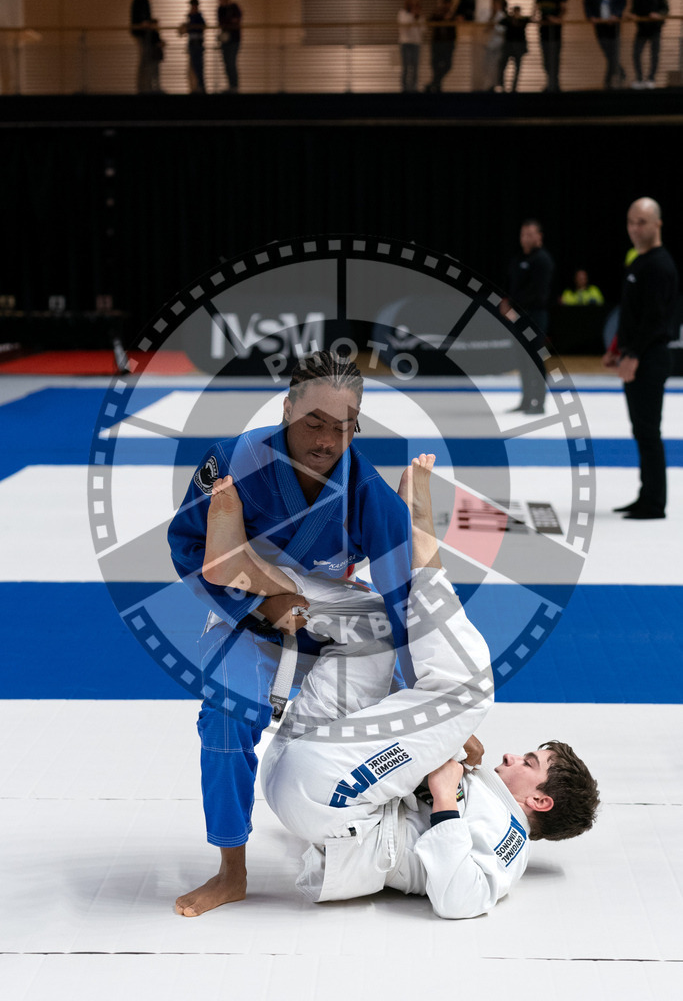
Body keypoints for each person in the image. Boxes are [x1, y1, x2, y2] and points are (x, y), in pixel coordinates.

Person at [261, 455, 599, 918]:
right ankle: (250, 576)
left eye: (530, 762)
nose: (511, 755)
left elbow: (461, 902)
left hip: (329, 799)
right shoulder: (484, 789)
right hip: (301, 771)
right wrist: (445, 748)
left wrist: (444, 798)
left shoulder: (510, 840)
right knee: (375, 631)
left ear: (539, 800)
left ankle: (417, 530)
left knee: (471, 688)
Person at [168, 351, 413, 915]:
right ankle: (231, 869)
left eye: (342, 426)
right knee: (225, 716)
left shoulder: (367, 491)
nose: (327, 439)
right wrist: (258, 602)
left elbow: (405, 599)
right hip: (247, 611)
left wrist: (429, 694)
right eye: (314, 423)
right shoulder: (234, 460)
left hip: (332, 619)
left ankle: (366, 823)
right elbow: (188, 547)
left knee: (390, 712)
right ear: (286, 410)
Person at [602, 198, 679, 519]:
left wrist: (632, 355)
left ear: (658, 224)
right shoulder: (638, 261)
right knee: (641, 430)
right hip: (635, 354)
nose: (635, 228)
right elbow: (630, 315)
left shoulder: (660, 265)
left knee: (648, 431)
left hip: (650, 357)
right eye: (631, 221)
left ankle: (655, 502)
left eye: (642, 221)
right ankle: (646, 494)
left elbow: (655, 319)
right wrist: (616, 348)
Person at [501, 219, 555, 414]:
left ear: (539, 236)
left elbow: (539, 294)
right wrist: (506, 302)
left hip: (535, 315)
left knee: (535, 359)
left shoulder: (542, 260)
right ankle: (525, 400)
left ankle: (538, 402)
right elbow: (511, 286)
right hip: (518, 316)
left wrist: (514, 304)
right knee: (522, 359)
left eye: (530, 234)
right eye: (523, 234)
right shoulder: (517, 260)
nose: (525, 238)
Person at [583, 0, 627, 89]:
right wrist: (591, 16)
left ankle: (608, 82)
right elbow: (587, 2)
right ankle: (620, 72)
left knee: (613, 53)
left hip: (614, 24)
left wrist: (616, 15)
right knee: (609, 54)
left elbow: (623, 1)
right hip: (599, 23)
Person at [628, 0, 669, 89]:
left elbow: (665, 8)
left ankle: (651, 78)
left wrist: (658, 15)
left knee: (654, 53)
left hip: (655, 27)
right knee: (636, 53)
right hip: (642, 28)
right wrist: (633, 14)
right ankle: (639, 78)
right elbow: (634, 6)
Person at [534, 0, 567, 92]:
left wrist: (556, 19)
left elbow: (563, 9)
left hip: (555, 33)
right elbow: (534, 12)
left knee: (555, 59)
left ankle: (555, 84)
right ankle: (551, 83)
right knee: (546, 60)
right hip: (544, 33)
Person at [130, 0, 156, 94]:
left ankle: (145, 86)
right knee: (144, 61)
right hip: (141, 33)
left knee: (146, 61)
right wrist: (144, 22)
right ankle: (143, 87)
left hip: (144, 33)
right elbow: (139, 16)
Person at [425, 0, 456, 92]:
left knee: (448, 65)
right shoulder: (437, 13)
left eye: (449, 4)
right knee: (436, 64)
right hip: (437, 43)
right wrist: (441, 17)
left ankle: (434, 82)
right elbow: (430, 21)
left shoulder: (452, 14)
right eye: (446, 4)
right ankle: (437, 86)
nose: (447, 6)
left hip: (448, 43)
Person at [497, 6, 531, 92]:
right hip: (508, 45)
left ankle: (514, 87)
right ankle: (502, 86)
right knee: (503, 66)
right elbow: (501, 22)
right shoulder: (508, 20)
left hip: (519, 46)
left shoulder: (523, 20)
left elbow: (530, 19)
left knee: (517, 68)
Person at [178, 0, 207, 93]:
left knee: (198, 66)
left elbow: (201, 27)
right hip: (192, 45)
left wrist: (189, 26)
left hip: (197, 45)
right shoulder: (190, 17)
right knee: (193, 67)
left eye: (194, 5)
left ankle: (200, 86)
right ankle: (194, 86)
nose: (193, 7)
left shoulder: (198, 17)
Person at [397, 0, 426, 92]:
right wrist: (413, 16)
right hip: (405, 43)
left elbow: (423, 30)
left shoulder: (420, 17)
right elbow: (405, 27)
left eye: (417, 5)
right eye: (413, 5)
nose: (415, 7)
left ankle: (414, 88)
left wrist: (417, 18)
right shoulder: (403, 14)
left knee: (415, 67)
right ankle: (404, 88)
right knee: (406, 66)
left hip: (416, 43)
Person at [217, 0, 242, 93]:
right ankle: (230, 85)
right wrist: (230, 21)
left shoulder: (234, 7)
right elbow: (221, 22)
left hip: (234, 39)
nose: (220, 0)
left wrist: (230, 21)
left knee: (231, 62)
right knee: (226, 63)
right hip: (224, 40)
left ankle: (234, 86)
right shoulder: (220, 9)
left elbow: (237, 19)